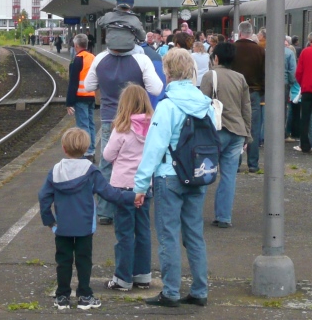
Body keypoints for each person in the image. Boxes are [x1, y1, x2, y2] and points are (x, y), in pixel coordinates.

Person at [133, 49, 211, 308]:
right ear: (190, 72)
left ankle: (171, 292)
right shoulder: (204, 103)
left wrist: (141, 185)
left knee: (168, 235)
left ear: (166, 72)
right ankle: (200, 291)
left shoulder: (167, 106)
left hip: (169, 177)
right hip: (197, 174)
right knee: (194, 235)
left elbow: (153, 148)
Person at [39, 128, 136, 310]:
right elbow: (110, 194)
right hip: (85, 226)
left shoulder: (55, 171)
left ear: (63, 148)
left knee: (64, 260)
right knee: (84, 259)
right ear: (85, 148)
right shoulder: (91, 171)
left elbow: (43, 196)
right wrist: (133, 197)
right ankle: (84, 295)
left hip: (62, 227)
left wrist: (49, 220)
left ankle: (62, 296)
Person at [84, 33, 164, 225]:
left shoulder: (100, 59)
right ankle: (140, 200)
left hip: (109, 117)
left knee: (106, 162)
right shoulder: (142, 59)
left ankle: (105, 211)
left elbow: (88, 85)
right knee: (139, 160)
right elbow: (156, 88)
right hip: (138, 118)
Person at [102, 84, 154, 292]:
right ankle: (142, 275)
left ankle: (123, 278)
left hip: (123, 188)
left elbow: (107, 155)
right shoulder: (153, 127)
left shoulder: (122, 128)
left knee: (124, 233)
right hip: (145, 186)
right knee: (143, 231)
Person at [198, 42, 251, 228]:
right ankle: (223, 217)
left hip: (215, 132)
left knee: (203, 174)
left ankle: (195, 215)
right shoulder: (240, 78)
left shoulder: (209, 76)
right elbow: (246, 108)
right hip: (237, 132)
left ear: (216, 58)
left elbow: (202, 105)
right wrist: (248, 135)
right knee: (229, 176)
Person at [234, 21, 266, 172]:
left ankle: (236, 163)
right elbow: (266, 74)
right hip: (254, 92)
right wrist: (262, 91)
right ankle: (253, 164)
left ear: (239, 33)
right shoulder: (260, 51)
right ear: (251, 33)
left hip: (234, 93)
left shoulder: (231, 49)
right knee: (253, 128)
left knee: (235, 127)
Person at [67, 34, 97, 159]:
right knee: (91, 124)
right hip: (91, 96)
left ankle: (87, 152)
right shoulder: (93, 57)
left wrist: (69, 102)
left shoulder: (78, 59)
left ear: (76, 45)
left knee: (83, 125)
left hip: (80, 97)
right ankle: (92, 150)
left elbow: (73, 82)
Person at [284, 36, 299, 142]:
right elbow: (292, 71)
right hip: (283, 84)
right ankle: (283, 134)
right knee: (283, 110)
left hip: (267, 84)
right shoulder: (289, 53)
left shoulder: (266, 51)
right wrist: (291, 82)